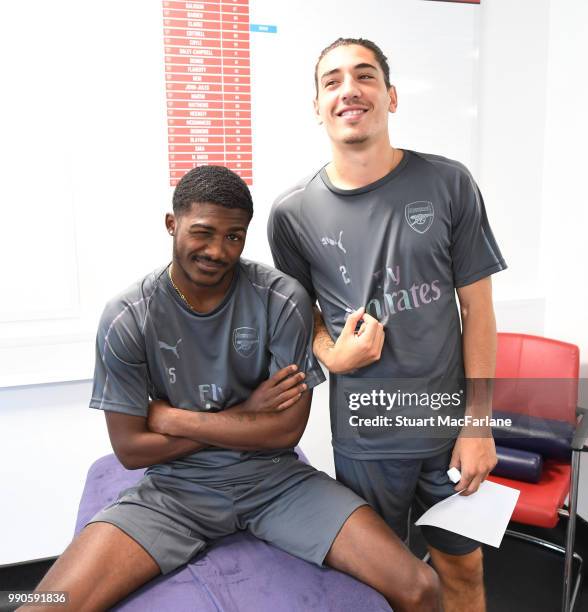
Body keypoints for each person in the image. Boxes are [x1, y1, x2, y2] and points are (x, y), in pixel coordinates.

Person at [24, 165, 440, 612]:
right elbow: (131, 449)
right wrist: (248, 410)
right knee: (44, 603)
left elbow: (284, 433)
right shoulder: (128, 317)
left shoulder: (282, 298)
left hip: (275, 482)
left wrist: (173, 417)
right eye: (202, 232)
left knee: (421, 586)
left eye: (234, 237)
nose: (217, 251)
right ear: (172, 224)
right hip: (175, 492)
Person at [268, 37, 507, 612]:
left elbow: (478, 311)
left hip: (450, 435)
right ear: (318, 106)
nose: (349, 89)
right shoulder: (292, 212)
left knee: (464, 574)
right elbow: (303, 319)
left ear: (391, 96)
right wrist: (331, 354)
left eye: (365, 76)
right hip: (366, 441)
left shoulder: (449, 183)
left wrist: (478, 426)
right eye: (332, 81)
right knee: (382, 588)